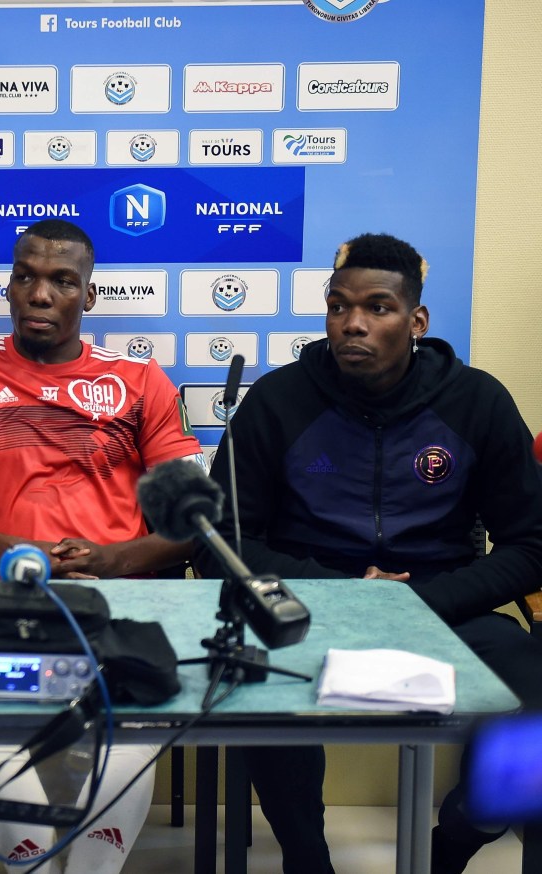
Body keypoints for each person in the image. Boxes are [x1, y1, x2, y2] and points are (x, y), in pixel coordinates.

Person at [194, 232, 542, 874]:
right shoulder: (278, 400)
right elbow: (223, 544)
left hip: (441, 604)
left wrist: (424, 601)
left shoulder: (477, 401)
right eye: (337, 306)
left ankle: (463, 833)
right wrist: (344, 592)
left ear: (416, 321)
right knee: (260, 684)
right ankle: (307, 858)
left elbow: (531, 544)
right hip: (312, 605)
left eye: (377, 308)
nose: (352, 323)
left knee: (537, 699)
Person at [0, 218, 205, 873]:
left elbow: (190, 521)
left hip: (115, 604)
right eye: (26, 276)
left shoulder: (140, 379)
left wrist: (114, 558)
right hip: (0, 600)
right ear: (9, 287)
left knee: (134, 725)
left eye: (62, 281)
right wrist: (19, 550)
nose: (40, 293)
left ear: (89, 298)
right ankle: (32, 862)